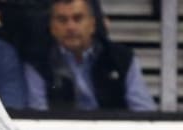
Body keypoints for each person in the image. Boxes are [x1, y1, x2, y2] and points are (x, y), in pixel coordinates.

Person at [24, 0, 156, 111]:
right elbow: (38, 117)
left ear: (92, 24)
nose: (70, 27)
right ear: (52, 28)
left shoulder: (121, 58)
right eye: (62, 20)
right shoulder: (37, 63)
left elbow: (143, 112)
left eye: (78, 18)